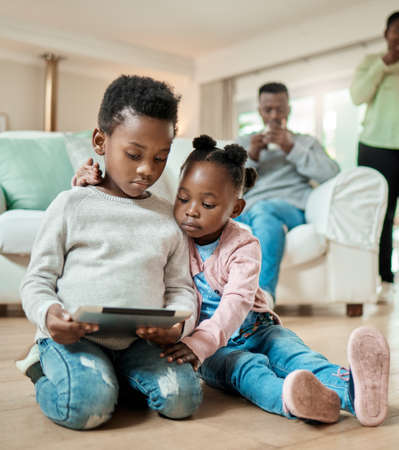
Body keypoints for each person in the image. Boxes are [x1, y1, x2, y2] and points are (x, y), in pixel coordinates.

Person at [159, 135, 389, 427]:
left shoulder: (244, 244)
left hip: (257, 329)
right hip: (212, 351)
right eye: (183, 198)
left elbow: (236, 301)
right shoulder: (174, 238)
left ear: (235, 208)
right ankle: (297, 400)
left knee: (296, 354)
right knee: (247, 369)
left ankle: (358, 392)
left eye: (207, 203)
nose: (191, 210)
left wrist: (203, 340)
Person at [16, 74, 202, 430]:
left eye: (160, 157)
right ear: (101, 141)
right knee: (87, 408)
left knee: (184, 400)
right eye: (134, 155)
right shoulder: (71, 204)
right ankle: (41, 370)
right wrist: (49, 315)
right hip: (76, 339)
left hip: (138, 344)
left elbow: (180, 288)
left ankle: (114, 381)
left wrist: (177, 327)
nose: (147, 169)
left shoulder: (167, 217)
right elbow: (37, 279)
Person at [236, 82, 340, 303]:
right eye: (268, 110)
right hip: (249, 208)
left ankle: (263, 296)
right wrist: (251, 156)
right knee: (255, 212)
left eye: (279, 109)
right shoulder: (245, 143)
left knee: (265, 211)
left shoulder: (305, 142)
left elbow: (331, 174)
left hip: (290, 207)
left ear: (289, 110)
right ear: (259, 112)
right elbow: (227, 184)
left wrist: (292, 149)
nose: (274, 116)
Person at [350, 11, 399, 302]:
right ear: (386, 34)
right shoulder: (371, 62)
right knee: (378, 214)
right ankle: (380, 275)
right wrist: (383, 64)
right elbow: (358, 96)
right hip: (375, 147)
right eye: (397, 31)